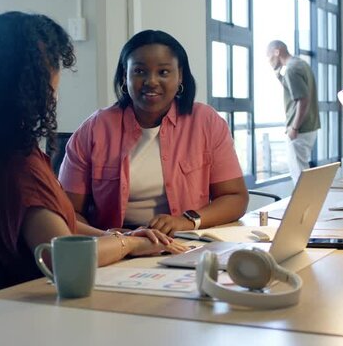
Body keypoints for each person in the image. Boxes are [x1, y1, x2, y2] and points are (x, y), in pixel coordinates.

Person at [0, 12, 186, 292]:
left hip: (15, 302)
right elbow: (62, 257)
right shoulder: (20, 167)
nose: (57, 80)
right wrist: (132, 244)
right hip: (39, 305)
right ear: (31, 80)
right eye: (53, 66)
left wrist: (115, 235)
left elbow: (61, 226)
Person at [59, 30, 248, 236]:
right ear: (125, 75)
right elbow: (67, 212)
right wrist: (112, 239)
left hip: (185, 240)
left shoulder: (206, 122)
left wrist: (187, 221)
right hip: (115, 244)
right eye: (139, 71)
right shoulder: (94, 129)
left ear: (180, 75)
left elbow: (235, 197)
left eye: (163, 72)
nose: (151, 81)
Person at [266, 40, 320, 184]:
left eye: (269, 56)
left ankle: (306, 205)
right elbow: (296, 91)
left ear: (277, 52)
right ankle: (310, 204)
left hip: (300, 129)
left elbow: (302, 99)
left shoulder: (291, 69)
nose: (269, 61)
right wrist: (279, 77)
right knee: (303, 172)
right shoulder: (301, 64)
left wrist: (294, 127)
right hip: (311, 125)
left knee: (299, 176)